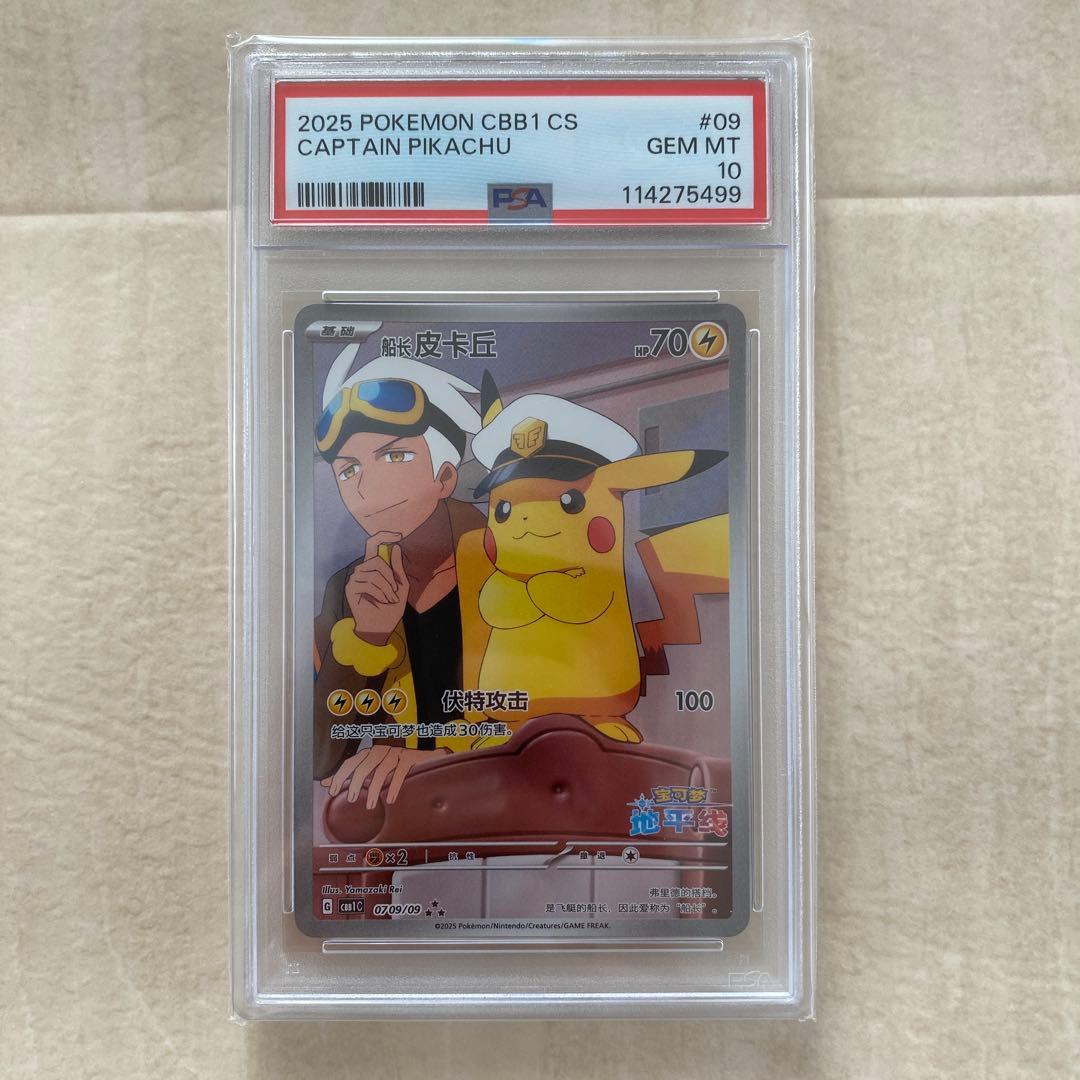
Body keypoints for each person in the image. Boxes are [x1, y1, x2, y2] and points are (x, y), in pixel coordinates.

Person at [312, 346, 490, 808]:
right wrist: (367, 637)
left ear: (445, 476)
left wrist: (444, 760)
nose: (366, 487)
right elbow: (320, 758)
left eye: (394, 457)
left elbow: (561, 723)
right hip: (396, 818)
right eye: (348, 469)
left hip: (505, 811)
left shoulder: (511, 565)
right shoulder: (347, 588)